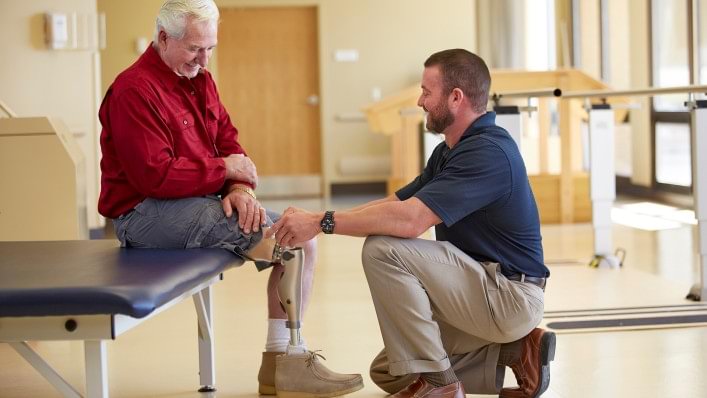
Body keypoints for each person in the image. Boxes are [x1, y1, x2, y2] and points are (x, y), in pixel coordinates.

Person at [97, 1, 362, 396]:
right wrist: (226, 172)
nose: (203, 60)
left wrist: (238, 189)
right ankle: (287, 363)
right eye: (194, 49)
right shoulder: (134, 90)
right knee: (295, 241)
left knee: (299, 238)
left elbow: (227, 141)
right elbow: (155, 176)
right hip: (143, 213)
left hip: (195, 200)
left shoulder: (199, 78)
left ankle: (280, 365)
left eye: (210, 49)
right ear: (164, 38)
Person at [268, 49, 555, 398]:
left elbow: (412, 220)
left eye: (426, 91)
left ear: (455, 97)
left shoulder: (488, 152)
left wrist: (321, 222)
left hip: (509, 296)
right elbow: (397, 203)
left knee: (382, 249)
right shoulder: (450, 150)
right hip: (481, 291)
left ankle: (441, 385)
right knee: (391, 371)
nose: (420, 101)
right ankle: (518, 350)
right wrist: (317, 220)